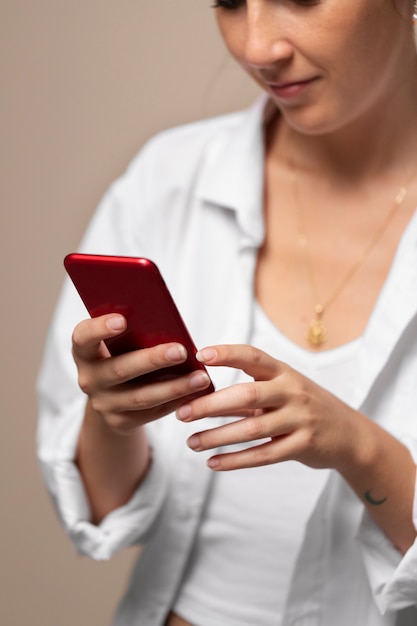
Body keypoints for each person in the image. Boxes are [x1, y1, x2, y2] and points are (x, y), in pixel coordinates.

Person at [37, 1, 417, 625]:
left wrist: (359, 448)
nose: (257, 47)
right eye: (231, 3)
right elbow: (102, 517)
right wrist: (111, 417)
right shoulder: (166, 178)